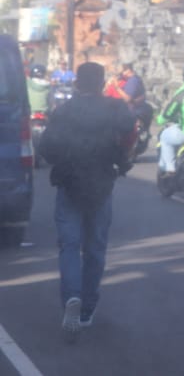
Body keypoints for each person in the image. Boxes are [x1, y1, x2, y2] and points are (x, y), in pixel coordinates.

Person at [37, 61, 137, 336]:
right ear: (102, 83)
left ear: (77, 84)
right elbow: (130, 131)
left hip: (69, 184)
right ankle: (87, 309)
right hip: (101, 184)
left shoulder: (64, 111)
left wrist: (64, 159)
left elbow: (46, 148)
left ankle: (72, 296)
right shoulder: (115, 108)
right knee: (95, 249)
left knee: (69, 246)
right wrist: (121, 156)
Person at [118, 63, 153, 135]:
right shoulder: (136, 79)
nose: (121, 75)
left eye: (122, 72)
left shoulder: (133, 81)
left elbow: (127, 99)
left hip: (135, 113)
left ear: (128, 70)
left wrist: (116, 87)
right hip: (138, 111)